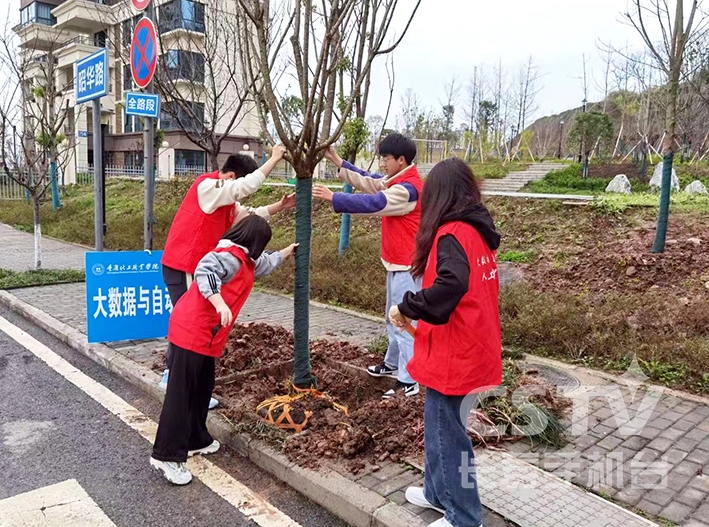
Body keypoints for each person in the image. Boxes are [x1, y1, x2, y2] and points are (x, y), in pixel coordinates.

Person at [389, 158, 502, 527]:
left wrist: (409, 305)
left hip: (457, 354)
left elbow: (450, 286)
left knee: (449, 436)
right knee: (439, 426)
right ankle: (437, 493)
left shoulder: (452, 232)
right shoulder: (476, 232)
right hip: (471, 346)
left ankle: (464, 518)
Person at [151, 215, 298, 485]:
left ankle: (196, 438)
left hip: (207, 336)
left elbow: (266, 262)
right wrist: (219, 302)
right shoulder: (228, 256)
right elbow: (204, 270)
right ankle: (167, 455)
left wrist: (287, 252)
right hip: (191, 331)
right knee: (181, 395)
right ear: (254, 241)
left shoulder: (246, 259)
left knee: (202, 388)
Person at [160, 148, 295, 407]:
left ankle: (176, 380)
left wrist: (280, 206)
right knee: (192, 325)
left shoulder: (222, 199)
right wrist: (275, 158)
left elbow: (247, 215)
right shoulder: (208, 187)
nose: (238, 192)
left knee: (189, 323)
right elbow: (246, 187)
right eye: (238, 183)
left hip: (193, 267)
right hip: (186, 267)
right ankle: (181, 386)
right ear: (231, 176)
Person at [314, 134, 422, 399]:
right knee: (393, 317)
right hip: (397, 264)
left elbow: (375, 203)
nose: (383, 163)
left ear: (401, 160)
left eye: (386, 158)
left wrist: (334, 198)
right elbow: (369, 180)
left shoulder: (408, 189)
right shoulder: (396, 180)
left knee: (405, 321)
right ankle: (393, 364)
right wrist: (337, 159)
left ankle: (409, 380)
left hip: (408, 267)